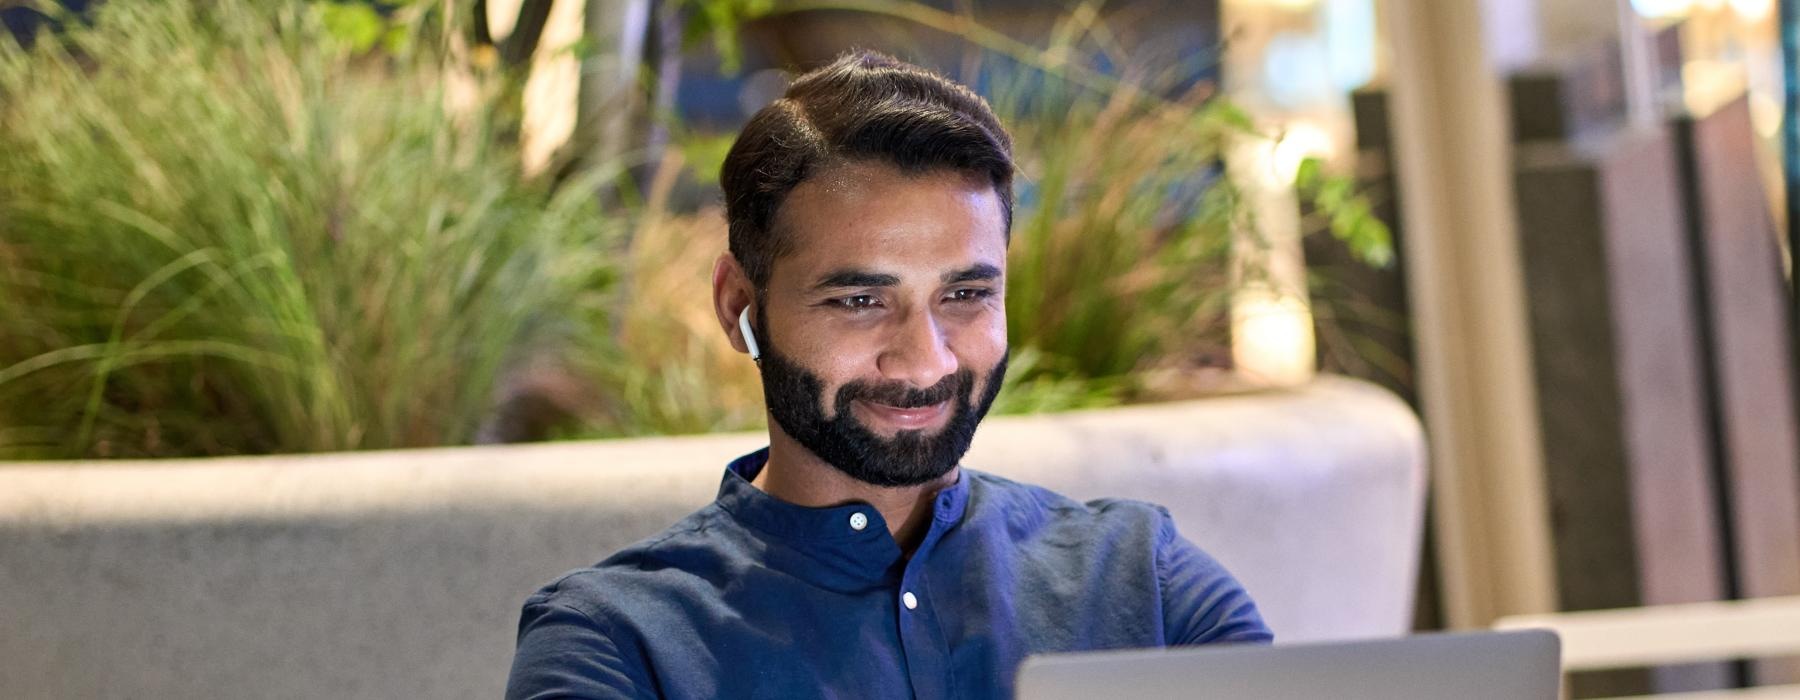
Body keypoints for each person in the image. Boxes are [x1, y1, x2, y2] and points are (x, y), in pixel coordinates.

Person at [505, 49, 1271, 700]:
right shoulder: (615, 644)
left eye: (965, 295)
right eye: (861, 299)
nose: (927, 360)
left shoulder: (1147, 580)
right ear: (739, 304)